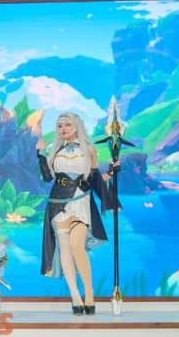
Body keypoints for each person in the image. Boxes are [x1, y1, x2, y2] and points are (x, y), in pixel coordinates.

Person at [37, 112, 120, 315]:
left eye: (67, 124)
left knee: (76, 245)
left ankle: (89, 293)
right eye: (59, 126)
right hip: (58, 203)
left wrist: (110, 173)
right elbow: (47, 178)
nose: (63, 129)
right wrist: (41, 155)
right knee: (65, 249)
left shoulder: (89, 149)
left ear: (75, 126)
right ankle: (75, 296)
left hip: (81, 201)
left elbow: (93, 179)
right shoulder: (55, 151)